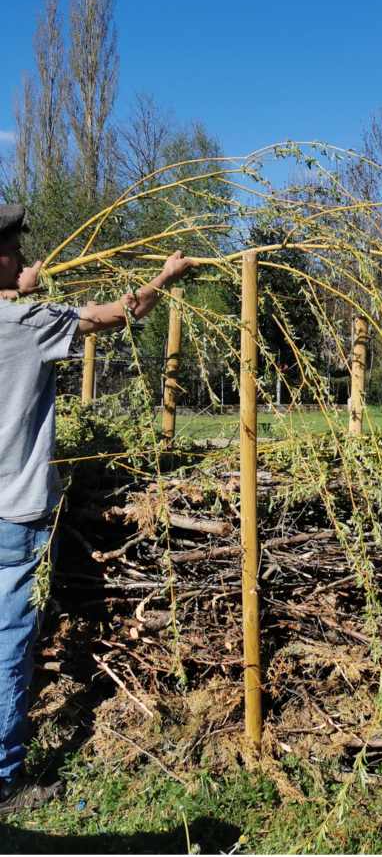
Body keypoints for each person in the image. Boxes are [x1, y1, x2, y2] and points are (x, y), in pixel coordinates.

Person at [0, 203, 198, 813]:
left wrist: (19, 290)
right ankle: (4, 781)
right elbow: (119, 313)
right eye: (12, 250)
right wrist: (163, 279)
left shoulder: (23, 312)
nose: (22, 257)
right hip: (13, 511)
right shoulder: (27, 324)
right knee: (7, 642)